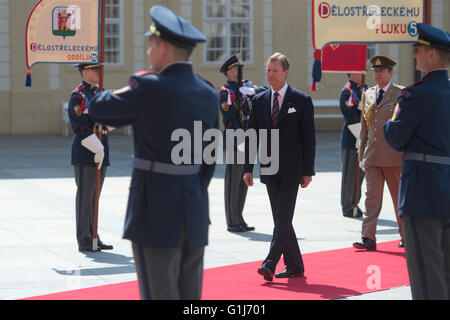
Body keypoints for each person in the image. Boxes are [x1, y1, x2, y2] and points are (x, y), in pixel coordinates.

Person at [89, 6, 218, 300]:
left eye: (151, 44)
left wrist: (137, 81)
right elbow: (209, 160)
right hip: (195, 209)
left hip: (156, 210)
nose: (149, 51)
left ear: (163, 48)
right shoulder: (208, 93)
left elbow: (98, 107)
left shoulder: (149, 86)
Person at [383, 23, 450, 300]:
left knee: (425, 273)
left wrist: (388, 123)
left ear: (432, 55)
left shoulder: (415, 94)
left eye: (420, 51)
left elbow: (395, 137)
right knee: (445, 269)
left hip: (422, 191)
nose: (415, 56)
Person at [243, 53, 316, 281]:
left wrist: (307, 171)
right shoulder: (259, 100)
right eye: (268, 70)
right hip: (268, 167)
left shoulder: (301, 100)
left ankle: (270, 263)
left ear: (285, 72)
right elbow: (251, 136)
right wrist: (247, 168)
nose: (270, 74)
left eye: (274, 70)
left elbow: (308, 138)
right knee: (280, 218)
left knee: (283, 216)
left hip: (293, 169)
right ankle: (295, 265)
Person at [353, 56, 404, 251]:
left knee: (398, 199)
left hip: (393, 156)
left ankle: (405, 235)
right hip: (372, 155)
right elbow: (365, 127)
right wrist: (361, 154)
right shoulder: (368, 94)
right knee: (371, 198)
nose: (378, 74)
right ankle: (368, 237)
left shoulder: (400, 94)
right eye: (375, 71)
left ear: (390, 73)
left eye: (382, 71)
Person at [68, 63, 113, 252]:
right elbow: (79, 126)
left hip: (102, 150)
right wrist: (96, 147)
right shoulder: (78, 95)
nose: (99, 73)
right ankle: (85, 239)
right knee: (85, 197)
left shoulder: (99, 94)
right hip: (87, 152)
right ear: (85, 72)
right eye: (95, 70)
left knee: (95, 197)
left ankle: (94, 235)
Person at [219, 54, 263, 233]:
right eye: (237, 69)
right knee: (234, 180)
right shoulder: (226, 92)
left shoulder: (247, 86)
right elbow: (229, 119)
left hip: (248, 138)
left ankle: (240, 217)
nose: (240, 71)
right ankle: (232, 220)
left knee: (244, 180)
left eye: (241, 68)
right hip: (236, 140)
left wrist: (252, 91)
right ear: (229, 72)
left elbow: (264, 92)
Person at [339, 73, 365, 218]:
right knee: (350, 176)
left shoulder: (363, 89)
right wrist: (362, 136)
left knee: (360, 175)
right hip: (353, 139)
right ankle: (348, 206)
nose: (363, 72)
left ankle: (356, 203)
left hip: (363, 138)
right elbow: (351, 117)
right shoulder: (348, 91)